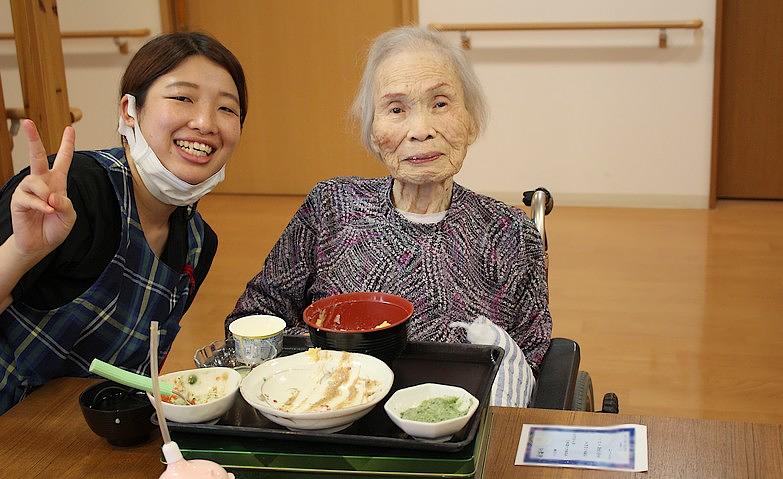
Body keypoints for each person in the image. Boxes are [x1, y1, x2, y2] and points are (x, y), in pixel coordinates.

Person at [227, 26, 550, 405]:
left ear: (472, 120)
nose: (420, 131)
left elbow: (531, 361)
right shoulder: (332, 205)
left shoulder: (510, 233)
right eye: (396, 110)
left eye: (441, 104)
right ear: (373, 130)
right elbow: (256, 315)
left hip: (459, 430)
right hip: (324, 410)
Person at [0, 32, 247, 414]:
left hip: (87, 441)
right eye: (183, 97)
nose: (205, 123)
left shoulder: (198, 243)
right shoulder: (68, 192)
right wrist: (21, 251)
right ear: (129, 111)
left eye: (227, 109)